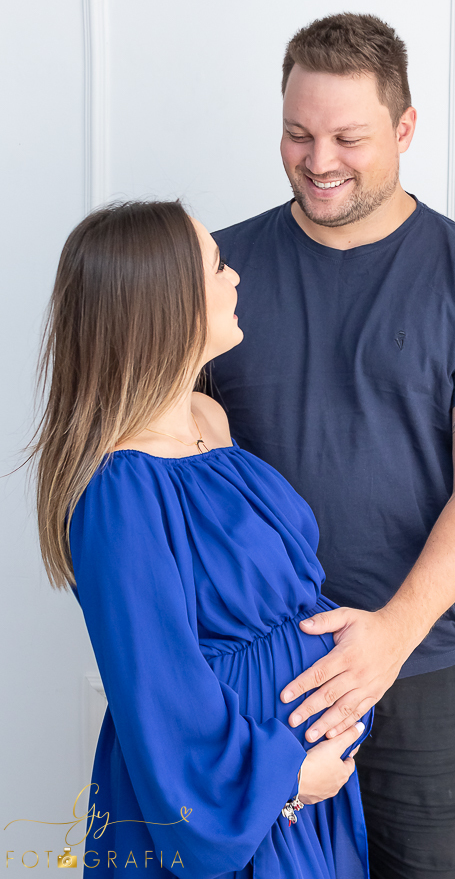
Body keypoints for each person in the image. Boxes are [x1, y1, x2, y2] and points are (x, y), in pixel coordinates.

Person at [208, 13, 455, 879]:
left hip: (423, 669)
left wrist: (388, 637)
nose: (319, 160)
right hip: (258, 676)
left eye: (348, 137)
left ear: (403, 128)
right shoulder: (214, 273)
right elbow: (167, 460)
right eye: (297, 133)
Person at [30, 200, 375, 879]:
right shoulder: (118, 492)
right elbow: (158, 684)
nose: (235, 278)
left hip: (304, 770)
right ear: (168, 302)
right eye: (217, 266)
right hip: (243, 792)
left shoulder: (207, 420)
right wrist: (282, 780)